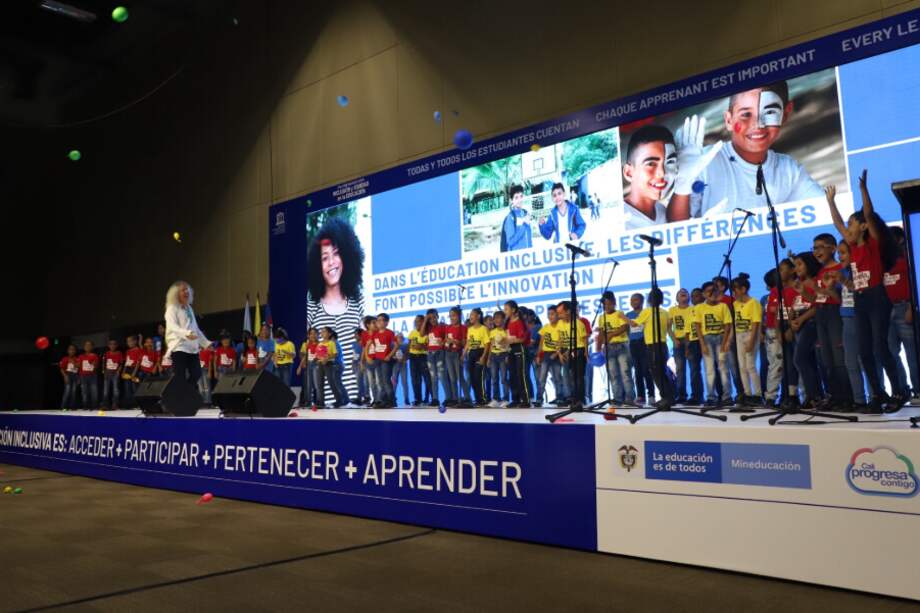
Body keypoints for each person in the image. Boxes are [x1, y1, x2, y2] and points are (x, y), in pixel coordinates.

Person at [668, 82, 822, 220]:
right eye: (746, 114)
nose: (757, 124)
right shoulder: (703, 163)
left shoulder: (789, 170)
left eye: (769, 113)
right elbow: (675, 226)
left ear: (786, 113)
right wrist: (683, 183)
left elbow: (823, 210)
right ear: (729, 120)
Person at [826, 172, 904, 413]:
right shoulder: (851, 246)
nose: (846, 229)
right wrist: (830, 202)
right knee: (864, 350)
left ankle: (899, 393)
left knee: (880, 348)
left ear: (862, 227)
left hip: (877, 298)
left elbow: (869, 214)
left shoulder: (873, 244)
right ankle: (877, 396)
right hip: (860, 300)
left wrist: (863, 190)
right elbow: (837, 224)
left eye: (852, 224)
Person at [307, 218, 366, 400]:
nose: (331, 262)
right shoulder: (311, 306)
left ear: (347, 256)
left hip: (357, 406)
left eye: (336, 254)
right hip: (325, 407)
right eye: (325, 258)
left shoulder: (359, 302)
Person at [812, 233, 852, 410]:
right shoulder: (820, 271)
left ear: (833, 248)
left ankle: (847, 398)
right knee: (826, 360)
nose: (816, 251)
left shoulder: (839, 269)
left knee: (838, 358)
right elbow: (818, 297)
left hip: (834, 313)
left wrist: (828, 291)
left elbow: (839, 299)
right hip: (821, 314)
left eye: (820, 247)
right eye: (814, 248)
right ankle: (834, 396)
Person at [885, 226, 919, 401]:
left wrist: (911, 307)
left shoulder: (909, 256)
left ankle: (918, 390)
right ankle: (901, 390)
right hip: (886, 310)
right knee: (891, 352)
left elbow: (915, 282)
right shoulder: (884, 261)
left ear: (899, 239)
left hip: (905, 307)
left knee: (912, 352)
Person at [622, 125, 677, 228]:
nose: (662, 173)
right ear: (629, 173)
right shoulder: (620, 221)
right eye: (651, 164)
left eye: (669, 162)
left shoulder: (661, 210)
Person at [628, 288, 674, 407]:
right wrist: (675, 340)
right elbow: (669, 329)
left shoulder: (647, 311)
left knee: (656, 373)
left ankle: (666, 397)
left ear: (648, 299)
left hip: (652, 346)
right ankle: (669, 397)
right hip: (663, 346)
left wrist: (622, 316)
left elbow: (633, 324)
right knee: (661, 372)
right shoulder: (665, 312)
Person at [789, 252, 823, 408]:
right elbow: (794, 305)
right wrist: (792, 322)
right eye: (795, 266)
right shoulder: (798, 283)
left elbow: (817, 305)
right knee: (808, 360)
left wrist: (801, 319)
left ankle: (813, 395)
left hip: (810, 322)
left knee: (799, 358)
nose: (796, 269)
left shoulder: (814, 282)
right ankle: (815, 395)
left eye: (800, 264)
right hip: (799, 325)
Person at [835, 242, 867, 406]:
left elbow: (861, 290)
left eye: (844, 253)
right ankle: (859, 400)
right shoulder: (841, 272)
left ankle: (876, 396)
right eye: (839, 254)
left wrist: (845, 281)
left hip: (861, 318)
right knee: (850, 362)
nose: (840, 257)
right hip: (846, 318)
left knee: (866, 359)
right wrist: (824, 289)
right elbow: (838, 297)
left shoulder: (859, 270)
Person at [763, 261, 800, 406]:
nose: (779, 273)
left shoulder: (797, 288)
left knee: (795, 363)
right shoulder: (774, 291)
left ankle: (796, 395)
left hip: (793, 327)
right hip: (775, 330)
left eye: (782, 269)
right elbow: (773, 311)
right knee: (776, 364)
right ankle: (771, 397)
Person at [163, 281, 211, 389]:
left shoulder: (189, 308)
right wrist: (187, 333)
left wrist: (206, 343)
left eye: (187, 289)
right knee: (180, 377)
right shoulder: (172, 309)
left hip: (192, 348)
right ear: (176, 294)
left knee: (196, 374)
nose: (186, 292)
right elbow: (172, 327)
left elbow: (196, 329)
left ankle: (184, 393)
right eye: (183, 290)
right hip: (179, 347)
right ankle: (179, 398)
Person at [695, 283, 734, 407]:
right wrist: (702, 344)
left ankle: (727, 396)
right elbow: (698, 326)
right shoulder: (699, 307)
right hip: (707, 339)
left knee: (723, 368)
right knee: (710, 370)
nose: (712, 294)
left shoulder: (723, 306)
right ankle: (711, 396)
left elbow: (727, 326)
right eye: (708, 291)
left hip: (720, 337)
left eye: (714, 291)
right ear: (703, 294)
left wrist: (725, 343)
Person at [596, 292, 634, 404]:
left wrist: (612, 334)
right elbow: (602, 332)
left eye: (609, 304)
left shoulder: (619, 313)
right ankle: (617, 398)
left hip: (621, 345)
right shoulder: (601, 317)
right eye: (604, 305)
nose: (606, 307)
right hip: (608, 348)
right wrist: (599, 347)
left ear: (614, 303)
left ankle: (629, 398)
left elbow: (624, 327)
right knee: (613, 374)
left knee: (625, 372)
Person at [731, 274, 763, 406]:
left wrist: (752, 340)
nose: (734, 293)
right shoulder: (735, 304)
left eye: (735, 290)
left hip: (750, 334)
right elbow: (734, 322)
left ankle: (758, 394)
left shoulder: (754, 302)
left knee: (750, 365)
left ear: (743, 289)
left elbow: (756, 322)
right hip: (739, 334)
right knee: (742, 366)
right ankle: (747, 393)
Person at [556, 301, 588, 406]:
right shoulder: (560, 323)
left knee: (578, 376)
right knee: (569, 376)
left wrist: (586, 353)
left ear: (568, 311)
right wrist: (559, 352)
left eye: (561, 313)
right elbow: (560, 338)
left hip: (578, 350)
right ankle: (571, 397)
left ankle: (580, 399)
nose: (559, 316)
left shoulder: (578, 323)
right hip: (567, 351)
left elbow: (584, 339)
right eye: (558, 313)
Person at [626, 293, 655, 404]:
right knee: (637, 371)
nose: (633, 302)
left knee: (646, 370)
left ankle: (651, 395)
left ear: (642, 301)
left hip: (645, 343)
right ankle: (640, 395)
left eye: (636, 300)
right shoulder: (628, 314)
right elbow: (628, 330)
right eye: (631, 300)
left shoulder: (646, 312)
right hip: (633, 344)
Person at [504, 300, 532, 407]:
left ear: (513, 310)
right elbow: (508, 337)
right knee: (512, 376)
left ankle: (525, 400)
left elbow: (522, 339)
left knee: (521, 375)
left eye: (506, 309)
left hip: (520, 349)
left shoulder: (520, 322)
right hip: (510, 350)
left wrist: (511, 340)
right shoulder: (507, 323)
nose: (504, 311)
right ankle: (515, 399)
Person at [536, 304, 566, 405]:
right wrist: (539, 355)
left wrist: (557, 353)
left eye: (552, 314)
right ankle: (539, 398)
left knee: (557, 377)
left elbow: (561, 341)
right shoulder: (545, 327)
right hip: (545, 355)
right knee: (542, 378)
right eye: (549, 314)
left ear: (558, 315)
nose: (550, 316)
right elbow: (541, 342)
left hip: (556, 354)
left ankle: (560, 397)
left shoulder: (561, 326)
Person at [366, 313, 397, 408]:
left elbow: (396, 345)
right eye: (377, 320)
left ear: (387, 322)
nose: (379, 322)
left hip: (386, 360)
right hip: (377, 360)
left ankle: (391, 401)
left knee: (387, 381)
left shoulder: (390, 333)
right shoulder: (375, 334)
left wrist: (389, 355)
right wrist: (368, 356)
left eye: (381, 320)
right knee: (380, 381)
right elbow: (368, 344)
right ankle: (382, 400)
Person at [668, 289, 693, 403]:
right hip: (678, 341)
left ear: (689, 297)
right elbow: (669, 327)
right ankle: (682, 395)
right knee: (680, 369)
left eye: (685, 292)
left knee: (694, 369)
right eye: (680, 293)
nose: (683, 292)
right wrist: (674, 339)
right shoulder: (672, 310)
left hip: (691, 340)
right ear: (677, 298)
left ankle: (696, 395)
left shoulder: (692, 309)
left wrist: (688, 343)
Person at [444, 307, 471, 407]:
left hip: (457, 353)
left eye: (454, 315)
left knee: (460, 377)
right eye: (450, 316)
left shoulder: (463, 328)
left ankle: (467, 398)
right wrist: (446, 341)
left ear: (459, 316)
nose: (452, 318)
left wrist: (455, 341)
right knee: (452, 378)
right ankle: (455, 398)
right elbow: (446, 339)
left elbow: (464, 343)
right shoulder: (448, 327)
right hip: (448, 353)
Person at [465, 308, 490, 406]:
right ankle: (477, 399)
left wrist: (484, 357)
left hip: (480, 352)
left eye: (472, 315)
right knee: (472, 378)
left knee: (479, 377)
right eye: (470, 315)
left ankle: (482, 399)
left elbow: (487, 344)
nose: (470, 317)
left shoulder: (483, 328)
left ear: (478, 316)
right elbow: (468, 342)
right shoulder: (470, 329)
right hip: (471, 353)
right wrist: (464, 353)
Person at [423, 309, 447, 408]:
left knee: (442, 376)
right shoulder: (428, 328)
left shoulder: (442, 326)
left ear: (437, 316)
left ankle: (448, 398)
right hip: (430, 354)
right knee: (433, 378)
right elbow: (421, 333)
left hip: (439, 352)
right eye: (430, 318)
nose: (432, 319)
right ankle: (435, 399)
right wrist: (425, 320)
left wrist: (443, 342)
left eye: (434, 317)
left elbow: (447, 336)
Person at [685, 288, 705, 405]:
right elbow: (687, 330)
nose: (693, 298)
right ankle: (696, 396)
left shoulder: (706, 308)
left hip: (706, 340)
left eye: (696, 296)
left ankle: (718, 396)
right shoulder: (690, 311)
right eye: (692, 296)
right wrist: (687, 347)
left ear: (702, 296)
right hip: (693, 342)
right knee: (694, 371)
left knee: (712, 369)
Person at [500, 184, 533, 252]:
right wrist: (525, 225)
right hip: (516, 258)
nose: (519, 200)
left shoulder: (526, 214)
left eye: (521, 196)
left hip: (528, 256)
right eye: (516, 197)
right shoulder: (510, 218)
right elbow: (510, 242)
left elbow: (528, 237)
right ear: (511, 200)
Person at [487, 310, 509, 407]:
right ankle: (496, 398)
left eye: (499, 318)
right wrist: (488, 358)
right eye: (495, 318)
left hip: (503, 355)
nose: (496, 320)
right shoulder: (492, 332)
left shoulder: (506, 331)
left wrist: (507, 355)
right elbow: (491, 345)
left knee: (504, 378)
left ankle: (506, 399)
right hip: (493, 356)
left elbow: (508, 344)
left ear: (503, 319)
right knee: (494, 378)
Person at [407, 315, 430, 406]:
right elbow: (409, 345)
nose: (417, 323)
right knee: (415, 379)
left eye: (419, 321)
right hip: (413, 357)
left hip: (423, 356)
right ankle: (417, 399)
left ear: (423, 322)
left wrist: (421, 346)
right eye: (415, 321)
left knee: (427, 379)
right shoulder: (412, 333)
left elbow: (428, 346)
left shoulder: (426, 333)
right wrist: (407, 355)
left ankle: (427, 398)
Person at [296, 328, 319, 408]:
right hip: (308, 366)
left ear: (318, 335)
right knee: (307, 385)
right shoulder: (305, 344)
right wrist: (300, 366)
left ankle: (317, 402)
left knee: (317, 385)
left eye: (315, 333)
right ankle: (308, 401)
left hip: (317, 367)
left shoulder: (320, 344)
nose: (313, 335)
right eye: (311, 333)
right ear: (308, 335)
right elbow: (302, 354)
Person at [122, 335, 143, 408]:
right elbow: (126, 362)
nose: (129, 343)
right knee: (127, 388)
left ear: (135, 341)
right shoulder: (128, 351)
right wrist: (123, 372)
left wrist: (134, 373)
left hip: (135, 370)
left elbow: (138, 362)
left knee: (135, 388)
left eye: (130, 341)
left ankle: (138, 404)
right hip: (127, 371)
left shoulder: (138, 350)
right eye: (127, 342)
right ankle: (130, 404)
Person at [101, 339, 123, 410]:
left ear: (116, 345)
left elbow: (121, 363)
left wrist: (118, 371)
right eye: (111, 344)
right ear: (108, 345)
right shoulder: (106, 353)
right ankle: (105, 405)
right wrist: (104, 371)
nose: (112, 345)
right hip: (107, 373)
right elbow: (103, 363)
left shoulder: (119, 353)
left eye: (114, 344)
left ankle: (115, 404)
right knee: (106, 390)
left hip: (115, 373)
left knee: (116, 389)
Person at [351, 328, 369, 405]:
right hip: (356, 364)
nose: (355, 336)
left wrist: (362, 362)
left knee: (365, 382)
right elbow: (354, 354)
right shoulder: (354, 343)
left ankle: (366, 397)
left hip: (363, 364)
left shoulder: (364, 343)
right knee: (359, 382)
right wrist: (352, 363)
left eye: (356, 334)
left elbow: (365, 353)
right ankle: (360, 397)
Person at [78, 340, 99, 409]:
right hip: (83, 376)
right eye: (86, 345)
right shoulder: (81, 356)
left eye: (89, 345)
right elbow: (79, 366)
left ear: (92, 347)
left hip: (92, 375)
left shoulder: (95, 355)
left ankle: (94, 406)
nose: (87, 346)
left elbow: (96, 366)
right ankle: (85, 406)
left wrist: (94, 364)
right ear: (84, 347)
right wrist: (75, 363)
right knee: (84, 391)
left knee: (94, 391)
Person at [391, 333, 410, 406]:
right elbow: (391, 354)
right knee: (394, 382)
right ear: (396, 338)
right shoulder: (393, 345)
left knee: (404, 382)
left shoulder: (405, 346)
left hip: (403, 365)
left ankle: (406, 399)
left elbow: (408, 355)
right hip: (395, 365)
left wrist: (404, 359)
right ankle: (392, 398)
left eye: (402, 337)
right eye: (399, 337)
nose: (400, 338)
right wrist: (394, 358)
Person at [60, 344, 79, 410]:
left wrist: (74, 363)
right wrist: (65, 376)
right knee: (67, 391)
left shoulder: (77, 359)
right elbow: (62, 369)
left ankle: (72, 407)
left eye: (73, 349)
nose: (72, 351)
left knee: (74, 391)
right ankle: (64, 406)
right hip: (68, 375)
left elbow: (79, 367)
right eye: (70, 349)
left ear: (75, 351)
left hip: (75, 376)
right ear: (68, 351)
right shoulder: (65, 359)